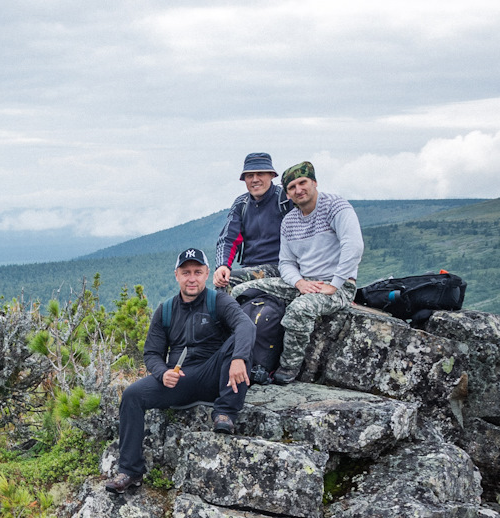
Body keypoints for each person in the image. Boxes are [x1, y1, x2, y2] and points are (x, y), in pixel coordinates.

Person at [103, 248, 256, 493]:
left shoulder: (219, 301)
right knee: (132, 395)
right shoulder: (165, 310)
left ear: (207, 274)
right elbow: (152, 353)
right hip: (178, 380)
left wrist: (239, 358)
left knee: (237, 341)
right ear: (177, 275)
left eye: (197, 272)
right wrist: (162, 373)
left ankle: (225, 413)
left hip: (214, 375)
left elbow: (245, 326)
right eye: (186, 273)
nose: (191, 278)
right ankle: (129, 471)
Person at [233, 160, 363, 384]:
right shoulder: (290, 221)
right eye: (292, 187)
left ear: (314, 182)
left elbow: (353, 246)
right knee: (240, 290)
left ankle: (288, 369)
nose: (298, 190)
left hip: (338, 286)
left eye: (303, 183)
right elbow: (286, 263)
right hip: (303, 282)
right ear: (287, 193)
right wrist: (299, 283)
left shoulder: (336, 207)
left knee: (299, 310)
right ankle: (231, 354)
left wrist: (335, 284)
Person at [212, 152, 292, 289]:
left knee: (231, 280)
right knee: (223, 280)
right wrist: (222, 265)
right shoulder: (241, 204)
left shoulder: (285, 200)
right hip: (249, 267)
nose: (255, 179)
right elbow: (228, 238)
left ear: (272, 175)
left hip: (281, 267)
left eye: (260, 173)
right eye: (250, 175)